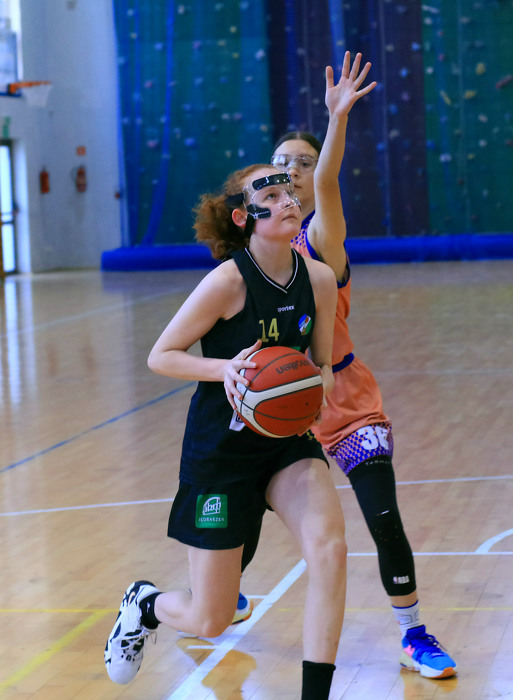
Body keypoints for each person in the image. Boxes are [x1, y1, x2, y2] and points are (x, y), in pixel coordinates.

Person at [238, 51, 457, 680]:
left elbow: (329, 181)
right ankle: (221, 593)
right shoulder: (250, 252)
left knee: (383, 516)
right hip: (273, 400)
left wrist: (335, 122)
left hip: (341, 397)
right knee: (242, 504)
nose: (291, 171)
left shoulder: (320, 238)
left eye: (302, 163)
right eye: (281, 162)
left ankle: (413, 634)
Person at [104, 163, 348, 700]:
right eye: (272, 195)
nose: (288, 200)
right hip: (222, 452)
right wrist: (227, 369)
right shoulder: (227, 282)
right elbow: (161, 355)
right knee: (210, 619)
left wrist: (318, 386)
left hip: (286, 443)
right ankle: (145, 604)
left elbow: (324, 364)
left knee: (330, 551)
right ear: (244, 217)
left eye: (290, 192)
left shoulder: (319, 280)